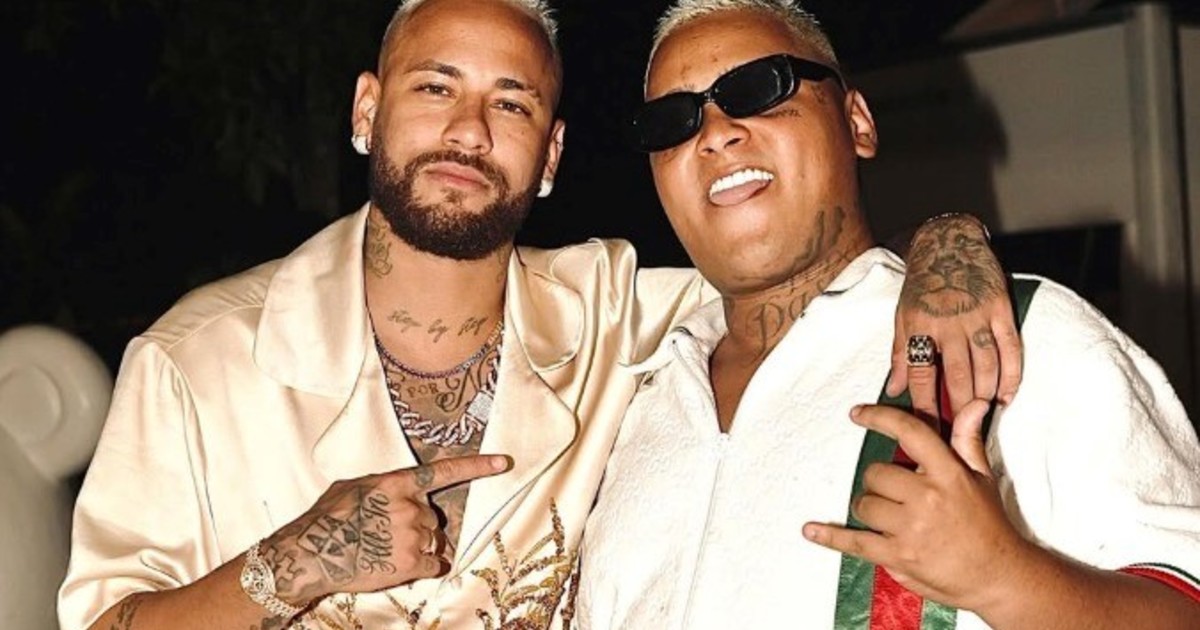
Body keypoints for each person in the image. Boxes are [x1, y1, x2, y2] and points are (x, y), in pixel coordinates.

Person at [56, 1, 1018, 629]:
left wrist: (948, 241)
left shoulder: (618, 315)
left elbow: (805, 269)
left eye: (510, 105)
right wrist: (292, 562)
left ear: (550, 156)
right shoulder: (196, 361)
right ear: (366, 112)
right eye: (436, 88)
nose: (468, 131)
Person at [575, 1, 1200, 628]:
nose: (714, 133)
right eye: (671, 122)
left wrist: (1006, 579)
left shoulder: (1018, 335)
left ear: (857, 122)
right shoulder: (624, 402)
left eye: (759, 87)